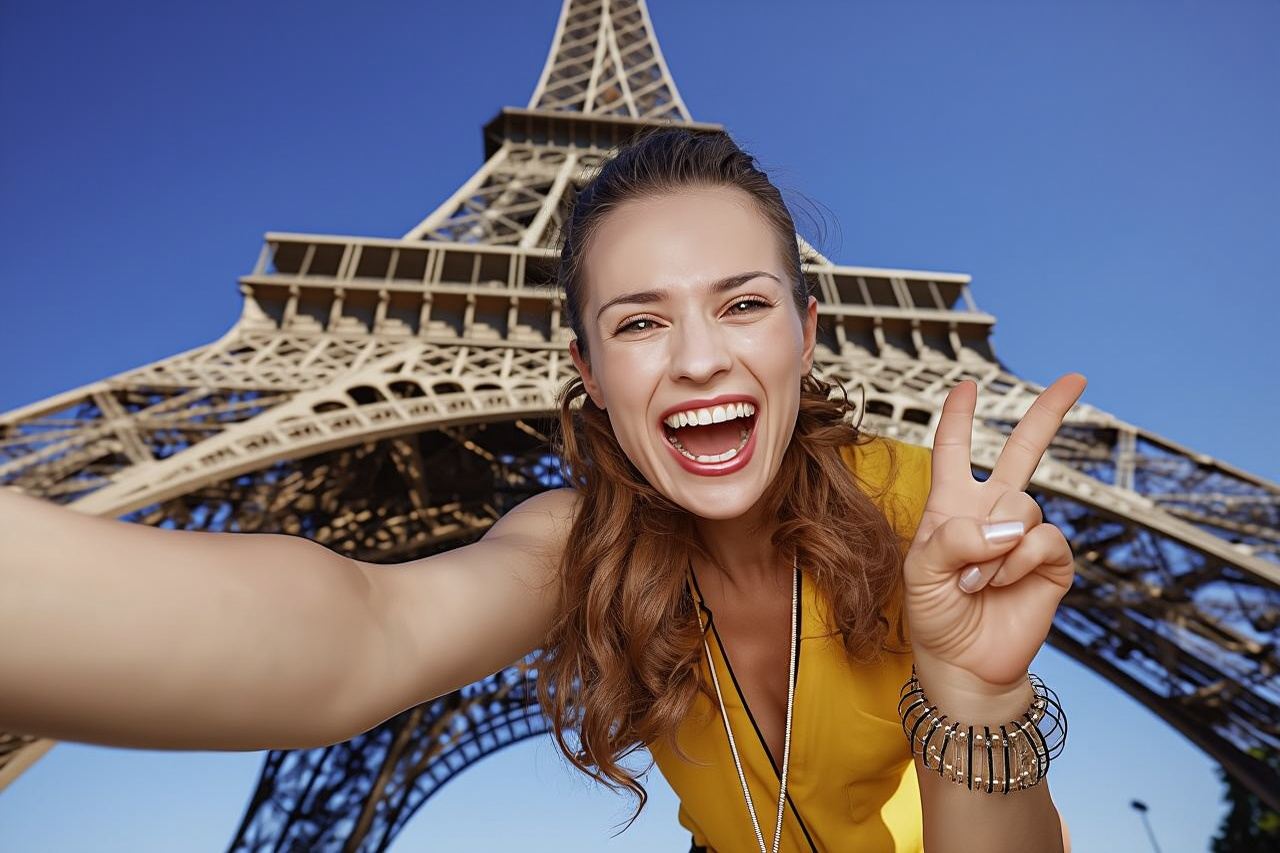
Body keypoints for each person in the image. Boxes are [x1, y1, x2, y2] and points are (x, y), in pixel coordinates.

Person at [0, 127, 1082, 853]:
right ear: (591, 375)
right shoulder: (584, 540)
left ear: (805, 334)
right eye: (639, 322)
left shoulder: (920, 516)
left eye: (741, 304)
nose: (698, 359)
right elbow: (360, 632)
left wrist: (974, 692)